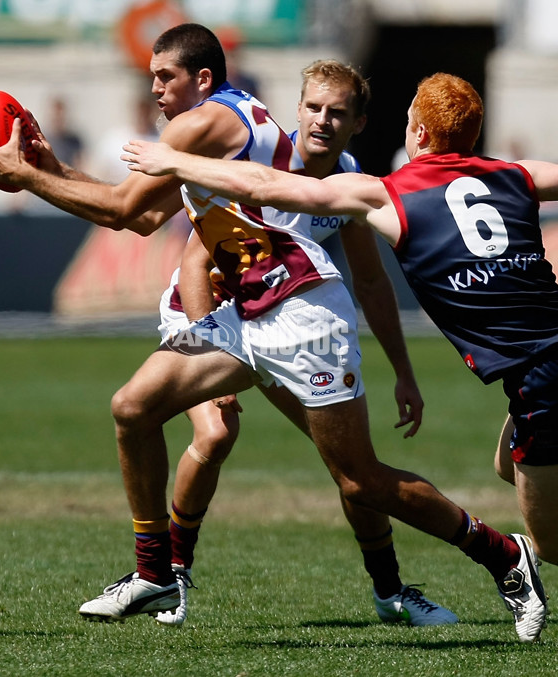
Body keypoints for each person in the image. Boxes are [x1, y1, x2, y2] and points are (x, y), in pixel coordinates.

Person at [0, 31, 546, 642]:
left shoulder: (204, 124)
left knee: (359, 477)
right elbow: (139, 216)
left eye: (165, 76)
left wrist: (25, 177)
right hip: (248, 313)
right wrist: (45, 167)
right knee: (133, 408)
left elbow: (119, 211)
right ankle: (157, 571)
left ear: (204, 80)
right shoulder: (232, 118)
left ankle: (503, 555)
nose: (155, 86)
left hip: (304, 316)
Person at [154, 59, 458, 628]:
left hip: (288, 327)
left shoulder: (345, 174)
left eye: (337, 112)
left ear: (358, 123)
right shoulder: (257, 160)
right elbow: (194, 264)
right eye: (314, 107)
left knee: (349, 465)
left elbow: (369, 280)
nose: (322, 120)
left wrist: (404, 372)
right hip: (211, 313)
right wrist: (206, 350)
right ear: (296, 110)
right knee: (216, 433)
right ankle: (168, 580)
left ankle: (391, 594)